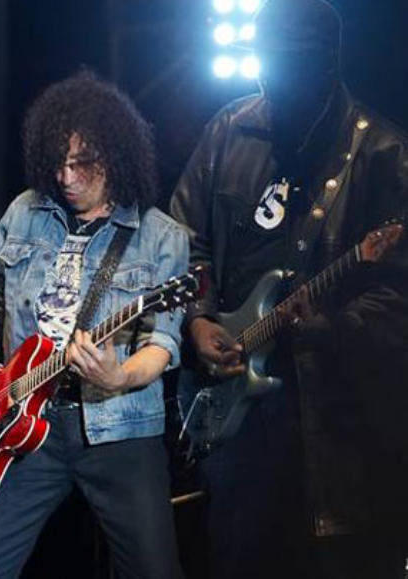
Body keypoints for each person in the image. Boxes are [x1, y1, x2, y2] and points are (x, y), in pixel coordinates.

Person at [170, 1, 408, 577]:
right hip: (237, 411)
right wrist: (198, 319)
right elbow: (184, 241)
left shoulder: (383, 154)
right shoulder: (230, 130)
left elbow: (398, 295)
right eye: (264, 63)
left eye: (286, 66)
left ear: (326, 64)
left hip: (334, 419)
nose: (269, 80)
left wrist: (329, 327)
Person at [0, 71, 188, 578]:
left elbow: (163, 343)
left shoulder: (161, 237)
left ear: (116, 155)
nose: (65, 176)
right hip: (24, 425)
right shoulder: (25, 212)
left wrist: (118, 376)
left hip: (119, 429)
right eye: (57, 162)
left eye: (82, 162)